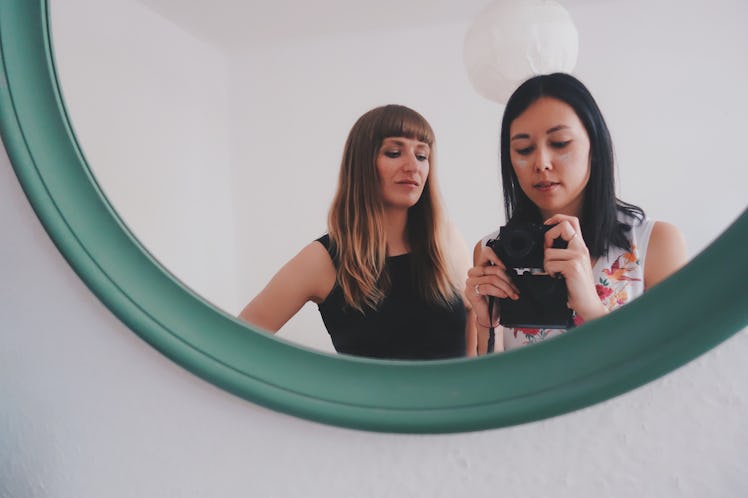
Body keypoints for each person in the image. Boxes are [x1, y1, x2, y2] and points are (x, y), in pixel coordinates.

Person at [465, 73, 688, 353]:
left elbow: (676, 371)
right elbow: (491, 385)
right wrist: (486, 325)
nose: (541, 163)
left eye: (559, 143)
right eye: (523, 149)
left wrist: (591, 307)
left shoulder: (655, 244)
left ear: (594, 145)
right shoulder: (491, 252)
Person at [239, 104, 475, 360]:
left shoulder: (447, 242)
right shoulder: (322, 260)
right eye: (394, 152)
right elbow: (234, 342)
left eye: (422, 155)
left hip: (458, 400)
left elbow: (482, 342)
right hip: (370, 402)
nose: (412, 166)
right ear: (362, 163)